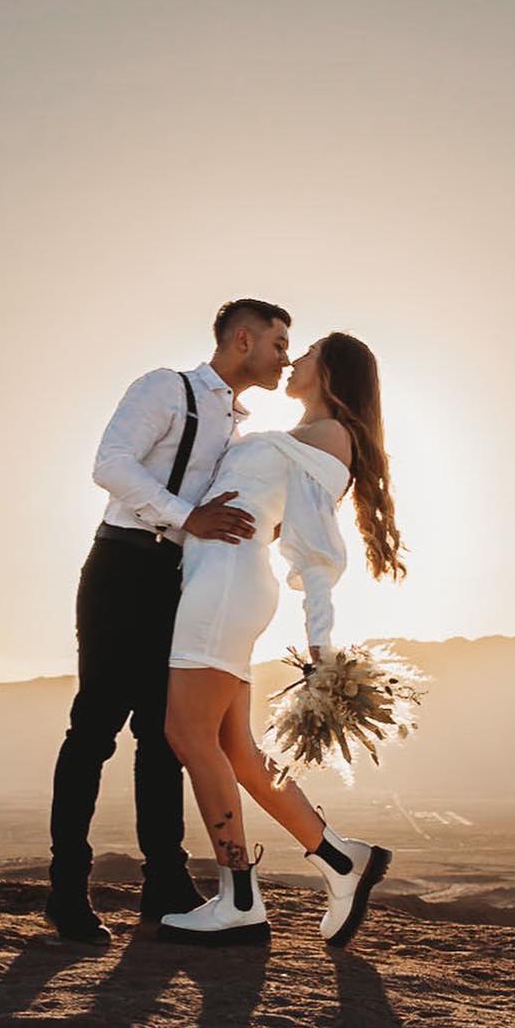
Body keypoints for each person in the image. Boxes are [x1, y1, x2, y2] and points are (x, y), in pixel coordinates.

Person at [45, 299, 293, 945]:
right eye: (278, 342)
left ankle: (166, 885)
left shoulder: (240, 436)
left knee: (168, 737)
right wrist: (187, 517)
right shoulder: (166, 388)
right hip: (122, 568)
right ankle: (67, 891)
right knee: (95, 728)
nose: (285, 357)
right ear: (243, 339)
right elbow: (110, 464)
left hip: (180, 586)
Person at [158, 331, 406, 949]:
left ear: (332, 372)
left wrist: (321, 643)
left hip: (224, 593)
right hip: (221, 585)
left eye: (309, 352)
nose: (294, 360)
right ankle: (341, 859)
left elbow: (316, 548)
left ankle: (238, 895)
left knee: (188, 736)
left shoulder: (328, 438)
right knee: (235, 749)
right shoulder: (308, 435)